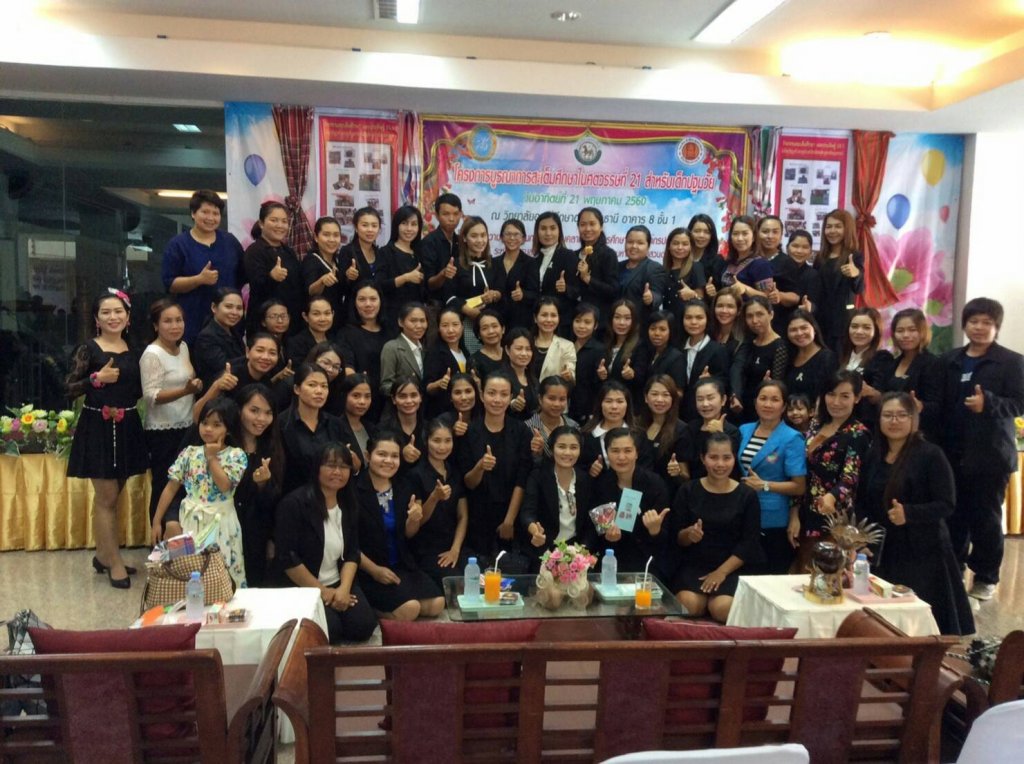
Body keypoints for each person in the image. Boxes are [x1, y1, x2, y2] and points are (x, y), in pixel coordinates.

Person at [857, 393, 974, 635]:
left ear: (914, 419)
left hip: (922, 552)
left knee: (920, 625)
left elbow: (946, 503)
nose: (894, 421)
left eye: (902, 415)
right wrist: (862, 537)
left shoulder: (931, 454)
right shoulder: (873, 454)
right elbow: (862, 501)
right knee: (883, 623)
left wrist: (909, 513)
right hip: (883, 551)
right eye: (888, 415)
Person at [940, 297, 1024, 600]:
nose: (979, 327)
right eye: (973, 321)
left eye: (986, 322)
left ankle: (986, 577)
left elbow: (1019, 403)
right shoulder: (950, 360)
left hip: (990, 455)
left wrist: (988, 403)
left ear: (996, 327)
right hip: (952, 452)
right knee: (955, 516)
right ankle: (955, 571)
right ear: (965, 324)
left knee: (985, 519)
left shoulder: (1012, 361)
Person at [66, 290, 148, 588]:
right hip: (97, 426)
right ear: (97, 319)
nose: (113, 317)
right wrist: (96, 379)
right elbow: (68, 387)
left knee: (116, 495)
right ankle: (114, 562)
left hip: (127, 425)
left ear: (128, 317)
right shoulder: (88, 348)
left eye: (118, 311)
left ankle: (103, 554)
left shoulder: (135, 349)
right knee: (107, 497)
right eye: (106, 312)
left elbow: (138, 390)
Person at [274, 442, 377, 642]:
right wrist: (323, 592)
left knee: (363, 626)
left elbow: (352, 551)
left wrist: (344, 589)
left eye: (344, 467)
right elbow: (288, 558)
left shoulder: (348, 503)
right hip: (305, 586)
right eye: (330, 465)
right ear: (317, 468)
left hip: (338, 580)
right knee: (331, 631)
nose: (337, 472)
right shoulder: (294, 504)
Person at [151, 397, 248, 588]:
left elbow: (224, 485)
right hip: (189, 520)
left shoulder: (236, 455)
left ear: (228, 428)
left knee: (222, 571)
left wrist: (212, 458)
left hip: (221, 521)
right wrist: (157, 520)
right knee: (188, 570)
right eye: (204, 423)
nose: (208, 429)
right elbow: (171, 487)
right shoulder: (189, 452)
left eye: (216, 425)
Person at [665, 432, 761, 623]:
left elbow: (749, 543)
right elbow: (677, 537)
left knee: (721, 608)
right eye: (713, 457)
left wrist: (721, 572)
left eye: (726, 458)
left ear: (734, 458)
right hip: (694, 565)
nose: (720, 464)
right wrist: (689, 535)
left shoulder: (747, 495)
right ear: (703, 458)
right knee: (688, 605)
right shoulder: (688, 490)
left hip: (731, 567)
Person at [354, 432, 446, 619]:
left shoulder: (404, 485)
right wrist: (374, 570)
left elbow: (408, 534)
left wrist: (413, 520)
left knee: (437, 604)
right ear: (367, 456)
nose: (389, 461)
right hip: (368, 569)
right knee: (410, 609)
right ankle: (375, 613)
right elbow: (347, 543)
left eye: (394, 456)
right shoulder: (354, 489)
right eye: (382, 454)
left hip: (401, 564)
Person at [457, 370, 533, 572]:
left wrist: (509, 520)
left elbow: (522, 479)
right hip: (478, 516)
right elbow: (467, 483)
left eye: (503, 394)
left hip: (511, 514)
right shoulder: (469, 432)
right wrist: (480, 467)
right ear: (482, 396)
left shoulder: (521, 431)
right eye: (491, 393)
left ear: (510, 398)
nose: (497, 399)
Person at [795, 370, 871, 572]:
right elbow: (800, 470)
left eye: (844, 396)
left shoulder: (858, 433)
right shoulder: (815, 425)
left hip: (835, 519)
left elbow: (851, 477)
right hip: (805, 514)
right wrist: (794, 511)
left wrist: (831, 497)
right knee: (802, 575)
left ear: (857, 398)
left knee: (830, 576)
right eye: (831, 394)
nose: (836, 402)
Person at [140, 298, 201, 524]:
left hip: (187, 425)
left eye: (179, 320)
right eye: (168, 321)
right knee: (163, 485)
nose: (175, 326)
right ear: (156, 325)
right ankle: (158, 537)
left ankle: (180, 536)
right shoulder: (152, 354)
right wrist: (185, 391)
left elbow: (187, 380)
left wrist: (195, 386)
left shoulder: (183, 347)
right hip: (162, 431)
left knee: (184, 485)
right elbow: (151, 396)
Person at [737, 380, 807, 573]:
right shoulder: (744, 430)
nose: (768, 404)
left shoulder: (792, 438)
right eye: (763, 398)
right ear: (755, 402)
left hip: (772, 517)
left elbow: (799, 486)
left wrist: (765, 485)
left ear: (783, 406)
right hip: (742, 512)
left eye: (775, 400)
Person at [162, 190, 243, 345]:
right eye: (205, 212)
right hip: (193, 321)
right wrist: (198, 280)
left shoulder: (230, 241)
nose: (211, 218)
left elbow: (242, 275)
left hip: (228, 324)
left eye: (215, 213)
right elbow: (170, 284)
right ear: (193, 213)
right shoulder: (178, 244)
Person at [589, 428, 670, 572]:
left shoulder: (654, 484)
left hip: (648, 561)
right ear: (607, 453)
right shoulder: (601, 485)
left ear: (637, 453)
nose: (621, 457)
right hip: (611, 559)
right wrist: (608, 536)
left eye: (628, 451)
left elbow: (667, 539)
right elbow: (597, 533)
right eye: (615, 451)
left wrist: (655, 531)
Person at [406, 419, 469, 588]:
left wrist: (455, 549)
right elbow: (418, 521)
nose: (442, 447)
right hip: (426, 550)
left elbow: (463, 516)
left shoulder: (454, 471)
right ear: (426, 441)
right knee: (457, 585)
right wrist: (434, 497)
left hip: (454, 545)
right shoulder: (416, 474)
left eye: (448, 441)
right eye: (436, 440)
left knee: (480, 578)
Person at [521, 426, 595, 569]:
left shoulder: (585, 480)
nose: (567, 453)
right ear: (552, 448)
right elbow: (527, 513)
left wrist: (582, 552)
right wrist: (535, 531)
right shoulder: (538, 476)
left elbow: (589, 523)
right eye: (561, 447)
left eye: (573, 447)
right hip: (544, 551)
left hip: (576, 553)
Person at [233, 384, 284, 587]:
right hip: (226, 529)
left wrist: (263, 485)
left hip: (257, 534)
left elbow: (275, 501)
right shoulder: (225, 445)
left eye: (268, 413)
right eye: (254, 411)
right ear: (239, 410)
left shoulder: (272, 447)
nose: (261, 419)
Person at [279, 363, 344, 496]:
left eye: (324, 386)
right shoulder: (281, 424)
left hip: (329, 495)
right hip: (292, 497)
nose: (319, 391)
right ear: (297, 389)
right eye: (312, 385)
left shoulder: (335, 424)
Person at [877, 308, 942, 441]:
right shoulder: (892, 364)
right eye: (900, 331)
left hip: (920, 435)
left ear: (922, 332)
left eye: (912, 330)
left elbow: (939, 405)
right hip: (892, 433)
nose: (906, 335)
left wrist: (920, 406)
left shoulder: (932, 363)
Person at [243, 201, 304, 338]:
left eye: (284, 221)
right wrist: (272, 277)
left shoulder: (288, 251)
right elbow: (257, 286)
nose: (280, 225)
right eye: (274, 220)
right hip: (264, 324)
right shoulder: (254, 251)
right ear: (261, 223)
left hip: (290, 323)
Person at [338, 281, 389, 419]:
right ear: (354, 303)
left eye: (373, 299)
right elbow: (347, 368)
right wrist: (361, 390)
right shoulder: (346, 333)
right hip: (361, 402)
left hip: (390, 401)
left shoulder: (390, 331)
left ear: (380, 301)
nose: (368, 304)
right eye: (362, 299)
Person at [816, 209, 865, 350]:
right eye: (828, 226)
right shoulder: (820, 257)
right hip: (820, 320)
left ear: (847, 229)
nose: (832, 231)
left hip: (842, 322)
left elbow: (859, 288)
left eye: (838, 226)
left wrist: (856, 274)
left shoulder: (854, 256)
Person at [455, 216, 503, 354]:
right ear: (464, 238)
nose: (480, 240)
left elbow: (501, 291)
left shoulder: (495, 263)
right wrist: (469, 311)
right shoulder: (456, 265)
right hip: (466, 323)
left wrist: (494, 295)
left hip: (491, 326)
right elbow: (448, 296)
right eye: (474, 236)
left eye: (483, 235)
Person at [839, 307, 892, 429]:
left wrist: (870, 392)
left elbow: (884, 396)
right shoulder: (841, 356)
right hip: (839, 420)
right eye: (854, 326)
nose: (859, 331)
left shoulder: (882, 357)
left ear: (876, 331)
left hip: (865, 424)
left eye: (866, 328)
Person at [680, 377, 741, 480]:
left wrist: (720, 434)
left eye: (710, 398)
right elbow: (684, 461)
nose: (705, 404)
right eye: (700, 399)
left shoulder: (732, 431)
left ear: (723, 400)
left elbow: (732, 467)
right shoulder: (691, 428)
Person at [737, 296, 788, 419]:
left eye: (760, 314)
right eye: (749, 316)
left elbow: (778, 385)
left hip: (764, 410)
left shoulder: (780, 346)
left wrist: (767, 384)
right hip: (742, 406)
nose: (754, 320)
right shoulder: (748, 343)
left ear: (771, 314)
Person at [678, 300, 729, 421]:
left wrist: (711, 380)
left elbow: (725, 382)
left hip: (706, 414)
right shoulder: (678, 348)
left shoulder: (717, 350)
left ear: (707, 320)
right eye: (688, 317)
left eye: (699, 317)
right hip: (679, 414)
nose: (693, 322)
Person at [378, 205, 426, 330]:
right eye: (404, 223)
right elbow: (380, 285)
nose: (409, 229)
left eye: (414, 224)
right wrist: (405, 278)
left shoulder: (419, 253)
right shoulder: (386, 252)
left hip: (417, 319)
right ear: (396, 225)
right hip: (394, 317)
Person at [639, 374, 688, 494]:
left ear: (673, 399)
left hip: (665, 493)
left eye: (666, 395)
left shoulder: (682, 430)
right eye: (654, 394)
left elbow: (686, 476)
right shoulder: (636, 425)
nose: (660, 400)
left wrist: (677, 472)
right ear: (646, 397)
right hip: (635, 492)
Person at [532, 212, 579, 336]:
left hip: (562, 323)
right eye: (543, 228)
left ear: (559, 231)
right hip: (539, 323)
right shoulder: (535, 259)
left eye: (552, 228)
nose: (548, 233)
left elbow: (578, 291)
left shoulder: (568, 256)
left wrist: (566, 288)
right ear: (537, 232)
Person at [783, 309, 837, 410]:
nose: (799, 333)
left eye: (804, 328)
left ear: (814, 329)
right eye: (793, 330)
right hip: (791, 415)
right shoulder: (788, 357)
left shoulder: (827, 358)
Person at [574, 207, 619, 328]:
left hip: (599, 321)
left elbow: (613, 291)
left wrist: (587, 278)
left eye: (592, 224)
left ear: (601, 226)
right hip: (576, 318)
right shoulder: (574, 255)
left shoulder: (608, 254)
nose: (587, 229)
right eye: (583, 224)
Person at [192, 287, 245, 389]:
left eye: (239, 308)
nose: (234, 312)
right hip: (217, 393)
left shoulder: (234, 331)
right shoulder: (206, 337)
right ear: (214, 307)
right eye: (229, 307)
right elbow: (224, 367)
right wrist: (251, 357)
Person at [491, 219, 537, 332]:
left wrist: (523, 295)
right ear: (501, 237)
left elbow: (535, 294)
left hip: (521, 322)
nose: (512, 238)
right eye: (508, 234)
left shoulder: (531, 263)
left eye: (516, 234)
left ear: (523, 239)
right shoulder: (493, 262)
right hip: (496, 322)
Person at [756, 215, 801, 333]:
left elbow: (796, 297)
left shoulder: (787, 262)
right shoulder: (750, 258)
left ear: (781, 235)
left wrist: (780, 295)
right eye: (765, 231)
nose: (770, 236)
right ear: (757, 233)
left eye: (775, 232)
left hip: (775, 323)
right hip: (749, 318)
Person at [338, 207, 384, 320]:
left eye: (374, 226)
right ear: (356, 227)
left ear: (379, 229)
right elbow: (341, 287)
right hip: (353, 313)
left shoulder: (380, 253)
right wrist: (347, 276)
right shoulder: (347, 251)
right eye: (365, 225)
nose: (370, 230)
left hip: (376, 313)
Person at [423, 306, 468, 418]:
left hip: (464, 411)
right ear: (438, 328)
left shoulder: (465, 352)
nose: (451, 330)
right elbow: (426, 387)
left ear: (462, 326)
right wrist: (438, 384)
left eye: (455, 324)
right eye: (445, 325)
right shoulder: (435, 353)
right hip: (442, 413)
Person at [617, 225, 668, 320]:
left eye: (640, 243)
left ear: (648, 246)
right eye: (630, 242)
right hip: (617, 322)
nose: (634, 246)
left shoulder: (654, 268)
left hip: (640, 323)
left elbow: (658, 294)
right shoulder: (617, 266)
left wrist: (651, 298)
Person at [717, 215, 773, 300]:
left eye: (745, 233)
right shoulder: (729, 261)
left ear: (753, 237)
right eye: (735, 234)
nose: (740, 238)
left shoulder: (761, 264)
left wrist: (746, 289)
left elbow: (767, 298)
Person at [422, 192, 462, 308]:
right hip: (436, 306)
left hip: (458, 303)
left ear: (460, 214)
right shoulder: (429, 243)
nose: (451, 219)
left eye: (456, 214)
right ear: (437, 215)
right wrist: (443, 274)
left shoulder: (461, 242)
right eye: (446, 214)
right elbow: (429, 284)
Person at [710, 289, 747, 413]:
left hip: (730, 399)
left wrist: (735, 395)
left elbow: (737, 369)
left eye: (730, 306)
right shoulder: (708, 333)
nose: (724, 311)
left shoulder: (743, 339)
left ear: (738, 311)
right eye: (720, 306)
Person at [526, 376, 578, 464]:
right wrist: (536, 454)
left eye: (562, 399)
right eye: (551, 398)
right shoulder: (527, 428)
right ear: (540, 399)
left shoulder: (574, 426)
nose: (557, 404)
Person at [379, 302, 428, 396]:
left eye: (422, 321)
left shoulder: (425, 349)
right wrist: (406, 394)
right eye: (413, 321)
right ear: (401, 322)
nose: (419, 326)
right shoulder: (392, 348)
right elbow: (385, 385)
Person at [597, 299, 643, 398]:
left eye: (627, 318)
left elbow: (642, 379)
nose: (621, 322)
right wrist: (601, 375)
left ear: (634, 321)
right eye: (617, 317)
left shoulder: (640, 346)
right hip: (605, 398)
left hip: (627, 400)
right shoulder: (603, 341)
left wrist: (632, 374)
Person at [301, 216, 345, 319]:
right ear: (316, 237)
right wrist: (322, 281)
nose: (332, 240)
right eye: (326, 235)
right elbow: (310, 291)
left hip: (337, 318)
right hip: (320, 319)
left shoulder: (338, 260)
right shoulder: (312, 260)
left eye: (336, 235)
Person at [379, 376, 426, 471]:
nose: (409, 401)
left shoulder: (429, 428)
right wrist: (400, 454)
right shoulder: (382, 430)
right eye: (402, 396)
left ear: (420, 397)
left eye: (413, 395)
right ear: (393, 399)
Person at [635, 309, 686, 396]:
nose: (657, 333)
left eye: (662, 329)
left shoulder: (676, 357)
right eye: (653, 329)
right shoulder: (646, 352)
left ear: (671, 331)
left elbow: (679, 392)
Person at [662, 228, 706, 324]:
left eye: (685, 244)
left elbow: (701, 299)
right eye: (675, 243)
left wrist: (692, 294)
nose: (680, 247)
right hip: (667, 322)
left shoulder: (696, 267)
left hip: (688, 322)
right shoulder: (663, 270)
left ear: (691, 247)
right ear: (669, 246)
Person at [569, 303, 604, 423]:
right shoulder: (566, 345)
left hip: (587, 411)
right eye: (577, 321)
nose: (581, 326)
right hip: (564, 405)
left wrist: (602, 376)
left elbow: (599, 385)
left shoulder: (599, 349)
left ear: (595, 325)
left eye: (587, 322)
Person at [337, 372, 377, 469]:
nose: (362, 402)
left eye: (367, 396)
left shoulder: (372, 428)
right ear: (344, 396)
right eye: (356, 396)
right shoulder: (335, 427)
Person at [532, 298, 576, 384]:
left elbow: (571, 374)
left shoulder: (567, 346)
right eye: (544, 315)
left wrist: (569, 376)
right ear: (535, 318)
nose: (549, 320)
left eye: (553, 315)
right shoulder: (526, 342)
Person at [285, 296, 336, 368]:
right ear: (305, 316)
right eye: (316, 314)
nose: (323, 319)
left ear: (333, 314)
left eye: (327, 313)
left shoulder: (336, 339)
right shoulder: (296, 343)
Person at [504, 328, 539, 421]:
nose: (524, 353)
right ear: (507, 350)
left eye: (528, 349)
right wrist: (512, 405)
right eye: (519, 349)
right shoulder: (499, 377)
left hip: (533, 426)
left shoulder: (533, 378)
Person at [785, 230, 822, 314]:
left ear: (810, 251)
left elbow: (816, 304)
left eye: (805, 247)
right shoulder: (777, 269)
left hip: (801, 318)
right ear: (787, 248)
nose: (799, 251)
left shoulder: (813, 275)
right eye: (795, 246)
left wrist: (810, 307)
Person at [306, 341, 346, 417]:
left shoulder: (338, 392)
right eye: (326, 363)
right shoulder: (291, 384)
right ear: (314, 360)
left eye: (336, 367)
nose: (330, 369)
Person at [687, 213, 726, 291]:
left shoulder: (717, 261)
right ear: (689, 232)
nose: (701, 235)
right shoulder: (682, 256)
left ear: (712, 236)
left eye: (706, 232)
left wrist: (712, 292)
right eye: (697, 231)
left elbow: (720, 290)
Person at [468, 309, 506, 383]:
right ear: (479, 334)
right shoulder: (474, 361)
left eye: (494, 326)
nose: (491, 331)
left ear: (503, 329)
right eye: (485, 328)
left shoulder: (511, 354)